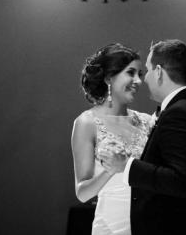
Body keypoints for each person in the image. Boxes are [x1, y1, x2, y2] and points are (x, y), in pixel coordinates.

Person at [100, 39, 186, 235]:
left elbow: (182, 180)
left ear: (158, 72)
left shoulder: (179, 113)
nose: (145, 78)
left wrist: (127, 166)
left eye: (147, 70)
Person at [71, 43, 153, 235]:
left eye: (140, 74)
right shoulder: (86, 123)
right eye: (131, 73)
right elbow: (82, 193)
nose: (138, 81)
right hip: (111, 227)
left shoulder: (147, 121)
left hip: (148, 223)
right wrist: (110, 171)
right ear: (109, 77)